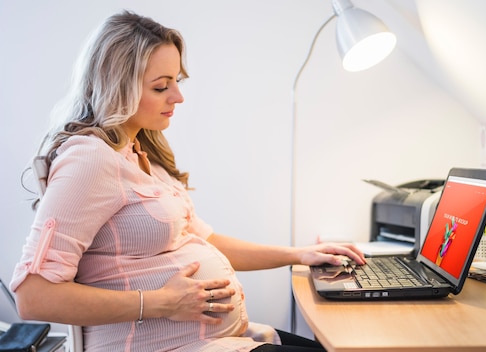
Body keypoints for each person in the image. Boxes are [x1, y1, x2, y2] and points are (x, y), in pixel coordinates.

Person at [10, 10, 365, 352]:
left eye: (176, 82)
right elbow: (34, 296)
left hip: (222, 338)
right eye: (161, 86)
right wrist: (159, 304)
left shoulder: (138, 153)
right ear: (118, 86)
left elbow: (203, 239)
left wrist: (298, 254)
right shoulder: (90, 158)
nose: (177, 97)